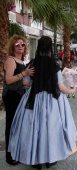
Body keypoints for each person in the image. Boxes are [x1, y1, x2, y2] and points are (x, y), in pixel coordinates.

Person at [8, 36, 77, 170]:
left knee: (34, 128)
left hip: (33, 99)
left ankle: (36, 159)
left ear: (39, 46)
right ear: (51, 47)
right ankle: (50, 158)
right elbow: (60, 87)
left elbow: (25, 82)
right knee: (51, 129)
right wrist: (72, 90)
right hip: (52, 102)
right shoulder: (54, 65)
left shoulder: (33, 63)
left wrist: (35, 79)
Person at [2, 35, 34, 165]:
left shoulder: (22, 61)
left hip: (20, 94)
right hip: (11, 95)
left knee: (19, 124)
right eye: (17, 44)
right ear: (12, 47)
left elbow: (23, 83)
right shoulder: (10, 60)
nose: (21, 46)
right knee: (12, 124)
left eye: (23, 44)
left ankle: (16, 152)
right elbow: (9, 80)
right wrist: (24, 74)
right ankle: (10, 156)